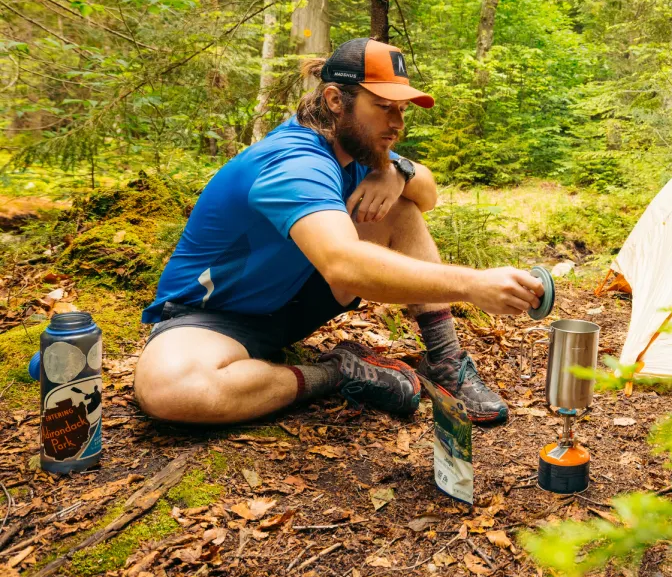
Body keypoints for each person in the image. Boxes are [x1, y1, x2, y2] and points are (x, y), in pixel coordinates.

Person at [133, 38, 544, 427]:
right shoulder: (293, 162)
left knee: (400, 209)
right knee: (171, 391)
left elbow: (429, 192)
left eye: (403, 110)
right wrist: (472, 284)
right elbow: (343, 266)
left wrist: (396, 172)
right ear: (334, 100)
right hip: (214, 317)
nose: (397, 123)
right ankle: (336, 371)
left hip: (292, 303)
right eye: (384, 107)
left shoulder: (356, 144)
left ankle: (444, 359)